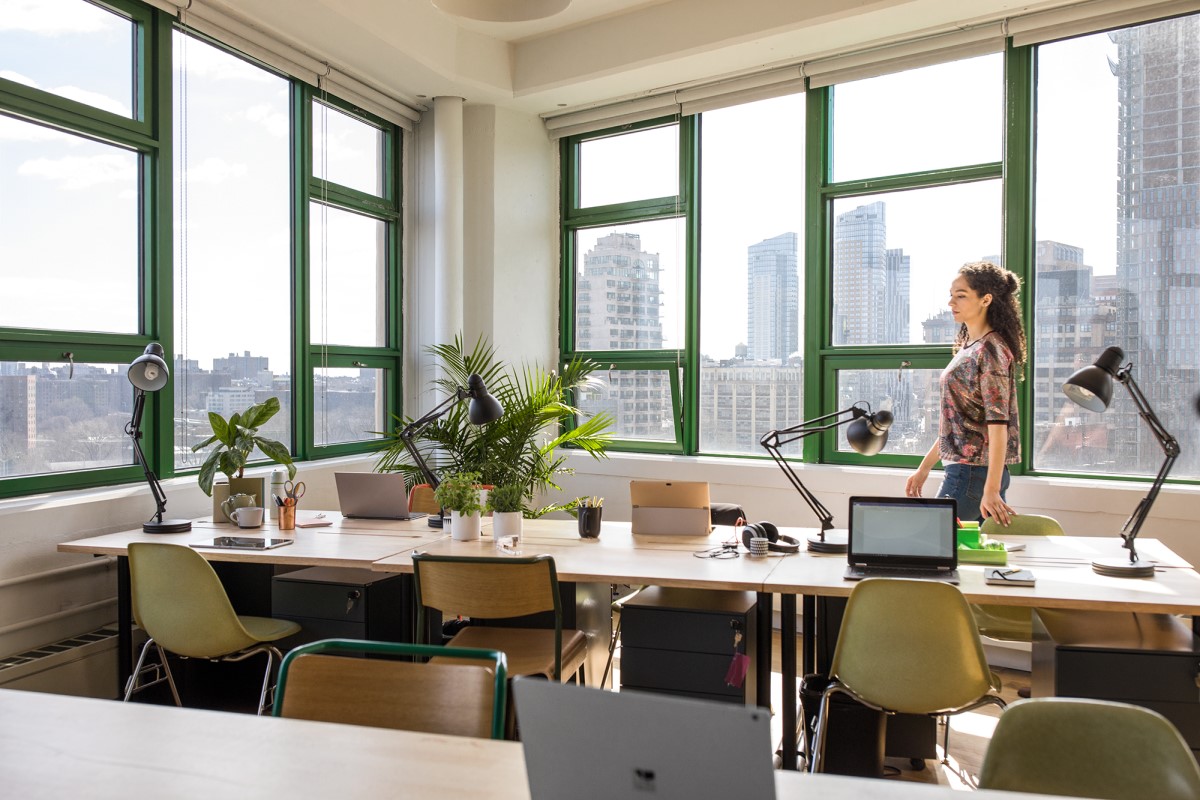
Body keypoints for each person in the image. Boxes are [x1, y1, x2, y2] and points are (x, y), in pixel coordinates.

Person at [906, 261, 1026, 525]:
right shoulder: (969, 348)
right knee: (957, 554)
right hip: (968, 472)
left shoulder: (991, 350)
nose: (951, 302)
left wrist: (991, 490)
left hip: (974, 475)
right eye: (951, 295)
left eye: (961, 296)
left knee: (928, 542)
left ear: (986, 300)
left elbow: (998, 426)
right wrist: (925, 467)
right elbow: (959, 423)